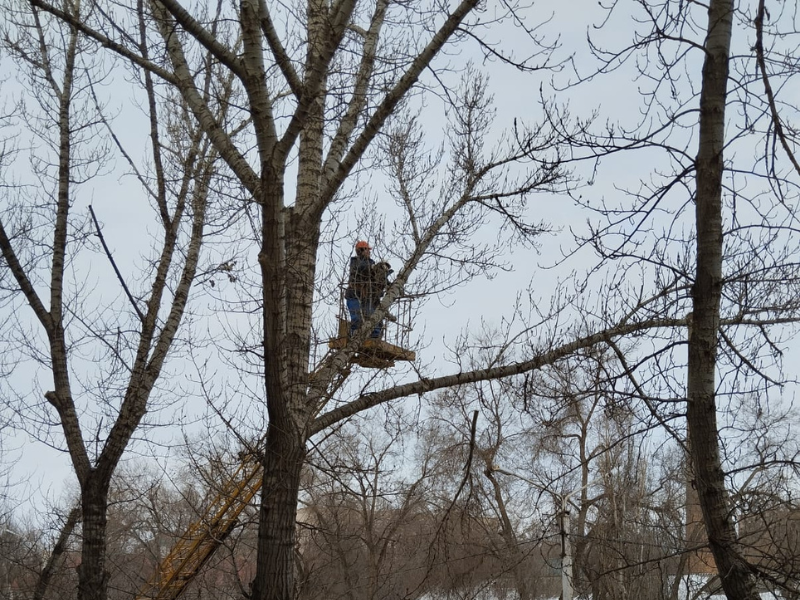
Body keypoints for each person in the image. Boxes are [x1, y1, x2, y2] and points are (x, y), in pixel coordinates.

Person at [345, 240, 383, 338]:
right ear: (360, 250)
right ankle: (355, 335)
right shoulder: (355, 262)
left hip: (368, 296)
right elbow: (363, 268)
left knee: (373, 318)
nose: (369, 252)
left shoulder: (371, 264)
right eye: (367, 250)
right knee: (357, 318)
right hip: (354, 294)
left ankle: (374, 337)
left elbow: (378, 279)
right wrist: (374, 268)